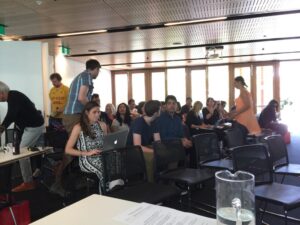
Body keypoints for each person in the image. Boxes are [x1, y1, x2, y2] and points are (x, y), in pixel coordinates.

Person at [51, 59, 101, 196]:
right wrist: (93, 109)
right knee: (72, 150)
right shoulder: (87, 76)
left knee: (82, 146)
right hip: (74, 116)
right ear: (96, 69)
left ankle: (79, 178)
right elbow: (81, 98)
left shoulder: (80, 76)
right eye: (99, 70)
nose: (98, 73)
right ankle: (57, 183)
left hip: (74, 115)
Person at [0, 81, 44, 192]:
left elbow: (10, 116)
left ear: (1, 93)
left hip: (34, 127)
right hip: (32, 125)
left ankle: (28, 182)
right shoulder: (14, 96)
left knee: (22, 153)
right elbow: (19, 114)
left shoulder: (13, 97)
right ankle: (40, 169)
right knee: (32, 149)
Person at [65, 101, 107, 194]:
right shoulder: (79, 127)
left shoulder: (102, 125)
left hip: (102, 155)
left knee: (116, 164)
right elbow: (68, 149)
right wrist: (86, 153)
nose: (97, 114)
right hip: (87, 159)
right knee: (103, 168)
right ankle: (105, 194)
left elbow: (106, 142)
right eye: (94, 112)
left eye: (99, 112)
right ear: (87, 113)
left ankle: (114, 189)